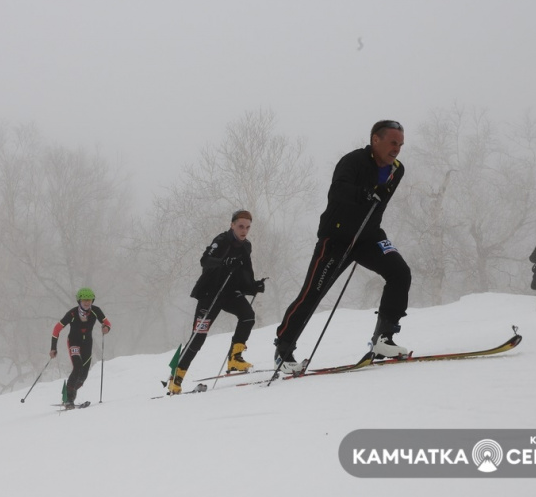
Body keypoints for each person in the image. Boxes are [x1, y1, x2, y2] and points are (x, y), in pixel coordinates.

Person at [274, 120, 411, 373]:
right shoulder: (353, 161)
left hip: (369, 236)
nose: (397, 149)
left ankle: (384, 338)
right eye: (393, 143)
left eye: (401, 144)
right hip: (336, 237)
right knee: (313, 292)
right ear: (375, 140)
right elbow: (338, 190)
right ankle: (284, 348)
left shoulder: (397, 170)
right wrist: (366, 193)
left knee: (399, 272)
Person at [168, 210, 267, 395]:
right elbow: (205, 260)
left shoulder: (247, 246)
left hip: (229, 293)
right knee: (198, 336)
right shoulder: (221, 240)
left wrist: (254, 286)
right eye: (240, 226)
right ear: (232, 225)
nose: (244, 231)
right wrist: (223, 262)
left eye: (247, 227)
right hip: (210, 293)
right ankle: (176, 377)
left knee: (248, 316)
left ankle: (235, 358)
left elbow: (245, 272)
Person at [50, 287, 111, 407]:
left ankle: (71, 391)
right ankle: (69, 398)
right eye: (84, 300)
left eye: (89, 300)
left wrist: (106, 328)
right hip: (74, 342)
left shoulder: (96, 311)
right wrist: (53, 347)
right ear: (79, 301)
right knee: (77, 367)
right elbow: (57, 329)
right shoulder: (72, 313)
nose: (87, 302)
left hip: (87, 343)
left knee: (83, 375)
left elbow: (107, 323)